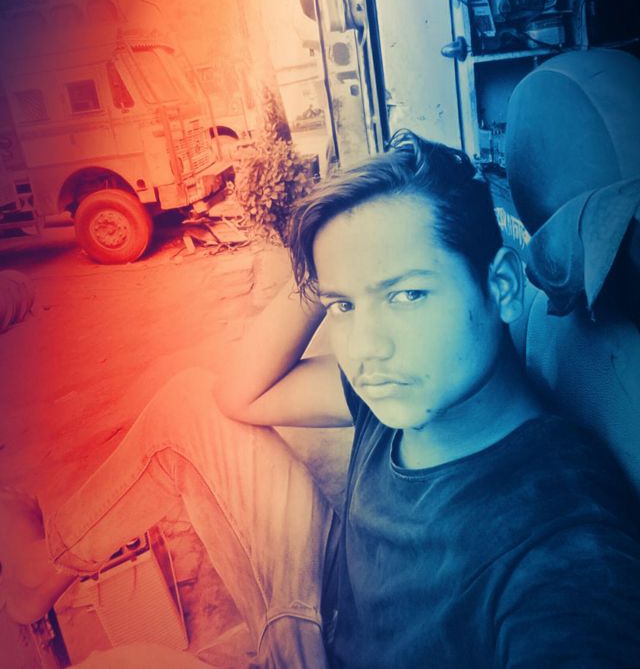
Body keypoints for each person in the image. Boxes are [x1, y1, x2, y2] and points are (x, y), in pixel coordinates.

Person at [2, 130, 640, 667]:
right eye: (344, 306)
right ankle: (40, 576)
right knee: (188, 400)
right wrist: (334, 260)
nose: (366, 349)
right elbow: (241, 394)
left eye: (407, 295)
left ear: (501, 287)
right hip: (332, 595)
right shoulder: (407, 388)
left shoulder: (564, 553)